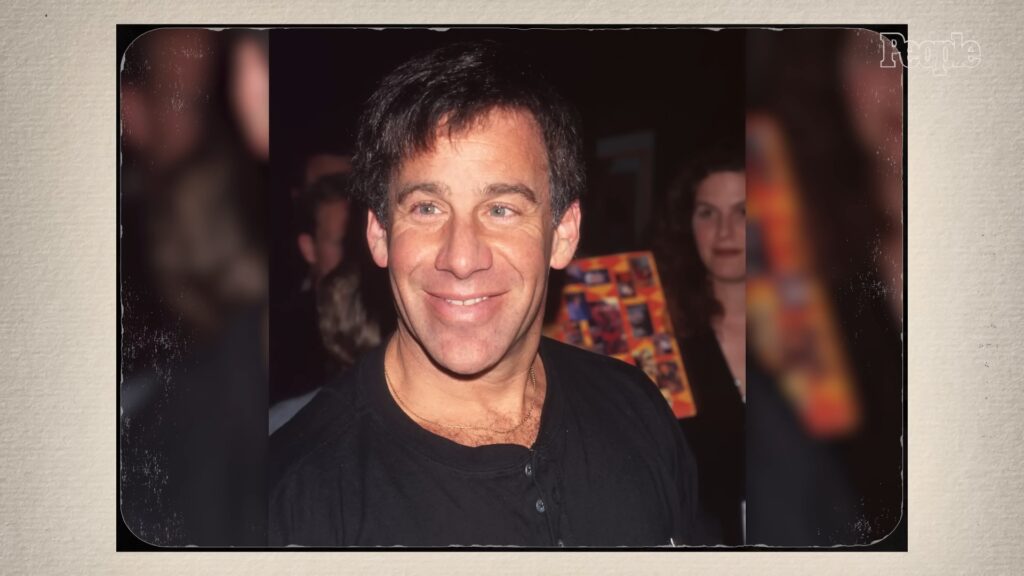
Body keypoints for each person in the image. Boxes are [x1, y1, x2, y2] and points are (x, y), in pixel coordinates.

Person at [269, 41, 703, 547]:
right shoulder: (291, 501)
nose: (461, 257)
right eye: (427, 208)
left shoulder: (636, 407)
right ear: (379, 235)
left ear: (563, 233)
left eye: (501, 209)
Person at [658, 145, 746, 545]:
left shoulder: (813, 329)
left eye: (744, 211)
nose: (725, 232)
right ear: (687, 224)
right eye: (707, 213)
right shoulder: (662, 335)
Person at [271, 173, 353, 404]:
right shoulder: (280, 336)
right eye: (343, 242)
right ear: (309, 248)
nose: (356, 254)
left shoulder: (387, 320)